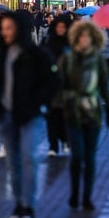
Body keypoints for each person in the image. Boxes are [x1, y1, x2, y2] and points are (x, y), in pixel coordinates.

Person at [0, 11, 61, 218]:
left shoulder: (35, 54)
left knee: (29, 157)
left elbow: (53, 82)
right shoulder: (1, 52)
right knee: (14, 162)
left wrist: (39, 104)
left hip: (30, 115)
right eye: (3, 28)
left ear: (19, 29)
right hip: (7, 115)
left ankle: (28, 206)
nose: (5, 32)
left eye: (9, 28)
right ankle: (19, 204)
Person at [60, 20, 109, 211]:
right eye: (81, 37)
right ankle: (75, 192)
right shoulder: (68, 59)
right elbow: (60, 84)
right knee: (77, 155)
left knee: (90, 157)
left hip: (92, 112)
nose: (84, 40)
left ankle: (87, 196)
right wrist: (60, 104)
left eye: (88, 37)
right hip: (73, 111)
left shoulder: (98, 59)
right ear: (76, 38)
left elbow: (103, 86)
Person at [42, 15, 71, 156]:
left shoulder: (70, 45)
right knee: (51, 116)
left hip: (67, 86)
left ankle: (65, 140)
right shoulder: (48, 43)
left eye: (63, 27)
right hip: (50, 86)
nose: (60, 30)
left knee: (64, 116)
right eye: (58, 27)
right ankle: (53, 145)